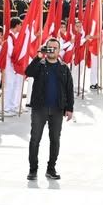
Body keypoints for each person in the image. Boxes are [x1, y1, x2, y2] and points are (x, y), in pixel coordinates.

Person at [24, 38, 74, 180]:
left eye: (55, 48)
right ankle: (33, 170)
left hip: (57, 109)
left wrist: (69, 108)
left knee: (55, 140)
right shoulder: (40, 65)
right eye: (49, 47)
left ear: (59, 51)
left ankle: (51, 168)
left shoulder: (64, 68)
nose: (52, 50)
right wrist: (38, 56)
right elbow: (28, 71)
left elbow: (69, 89)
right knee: (35, 139)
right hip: (39, 108)